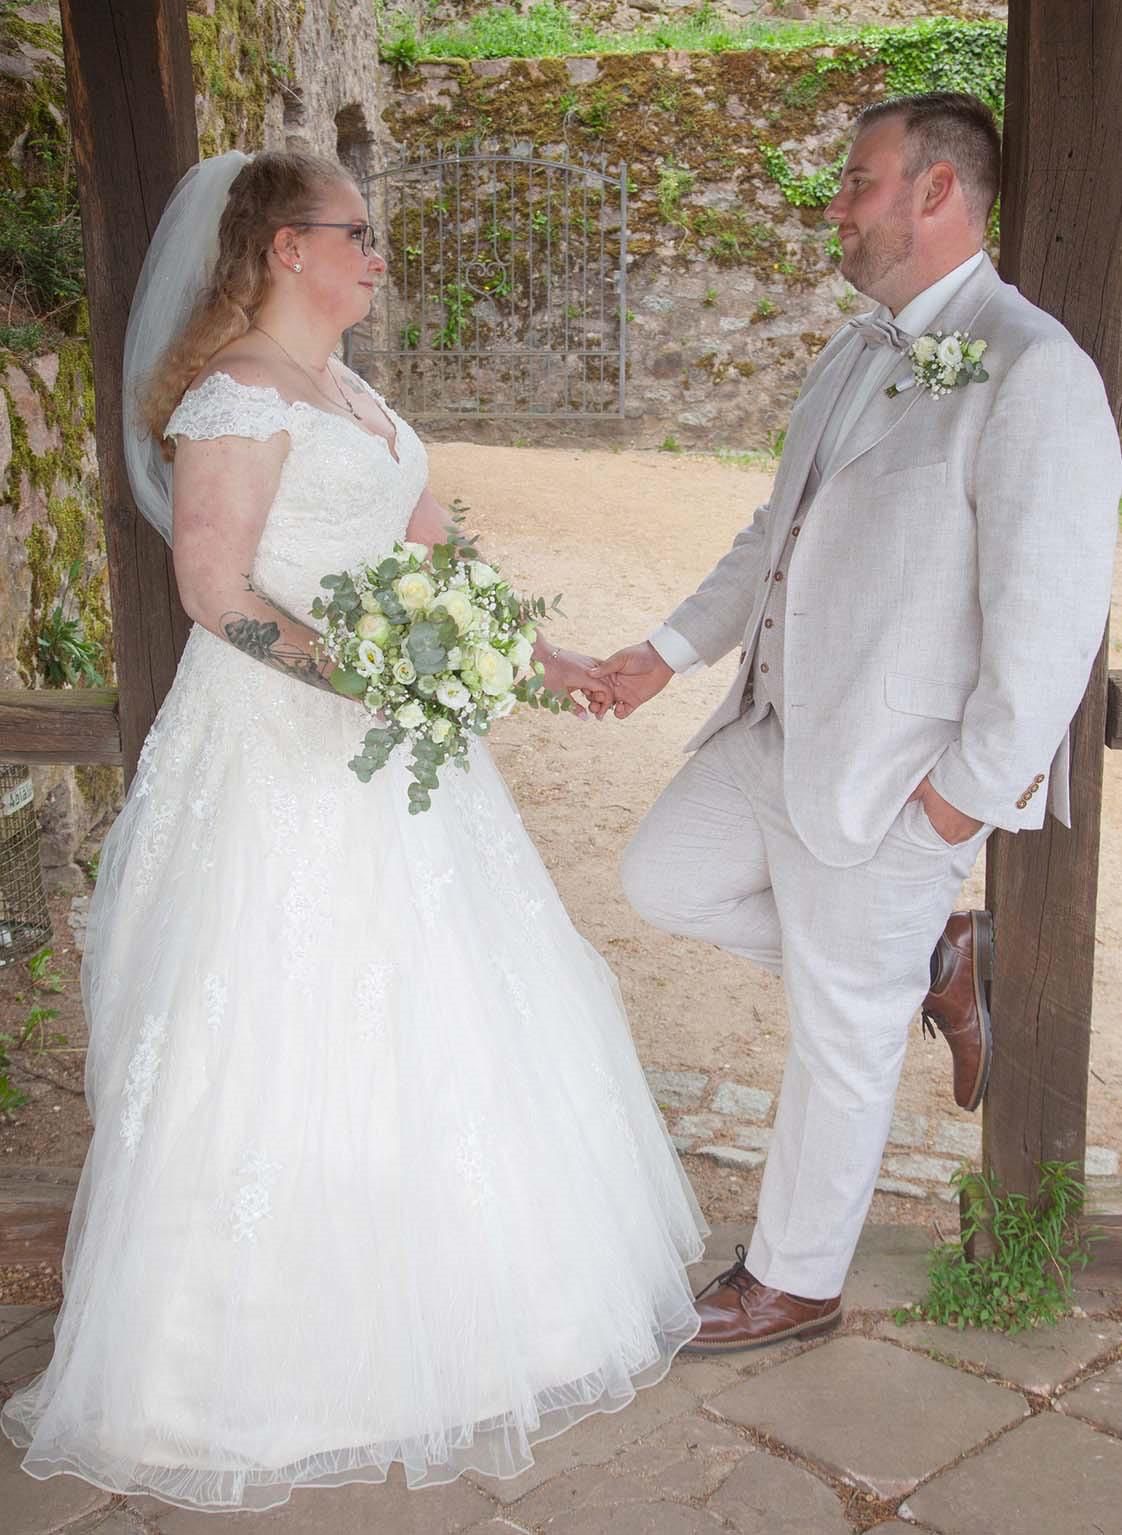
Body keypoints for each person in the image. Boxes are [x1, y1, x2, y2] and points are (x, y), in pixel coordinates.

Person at [0, 149, 706, 1509]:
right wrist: (376, 676)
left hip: (401, 756)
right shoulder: (235, 397)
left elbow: (443, 564)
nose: (377, 255)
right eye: (356, 233)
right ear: (285, 248)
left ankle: (476, 1321)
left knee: (445, 1005)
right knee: (276, 1017)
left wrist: (536, 657)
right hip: (275, 753)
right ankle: (233, 1371)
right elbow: (215, 590)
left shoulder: (358, 397)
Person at [594, 92, 1120, 1350]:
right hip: (775, 730)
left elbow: (1051, 623)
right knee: (661, 875)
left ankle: (795, 1279)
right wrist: (665, 654)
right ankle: (931, 962)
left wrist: (955, 803)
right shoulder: (852, 347)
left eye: (858, 181)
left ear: (937, 192)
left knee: (840, 1033)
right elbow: (767, 533)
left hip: (891, 776)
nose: (835, 204)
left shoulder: (1036, 369)